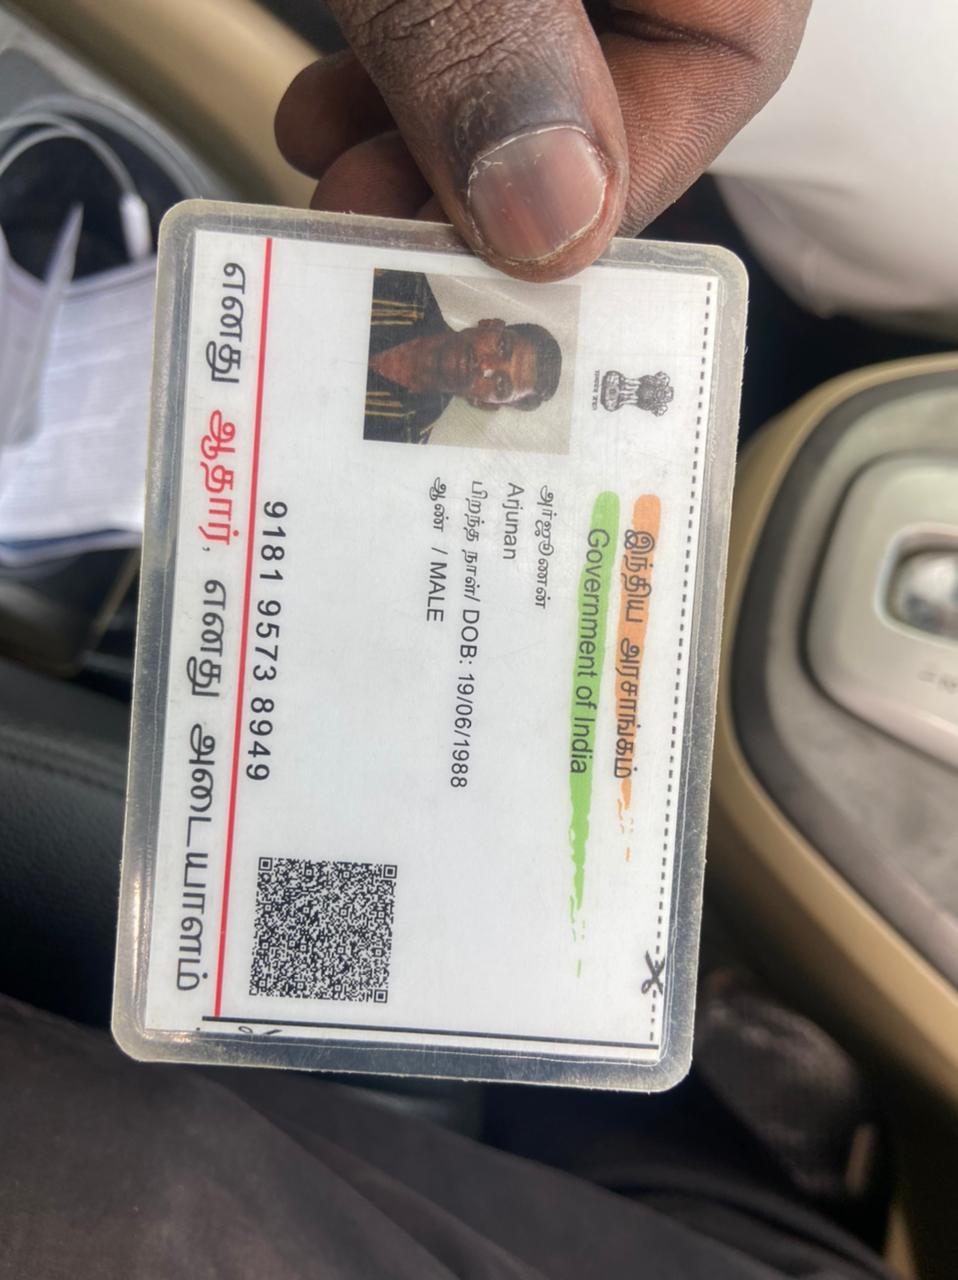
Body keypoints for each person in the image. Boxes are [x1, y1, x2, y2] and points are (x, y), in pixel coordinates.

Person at [364, 269, 562, 442]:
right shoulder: (402, 280)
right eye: (502, 347)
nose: (485, 367)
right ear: (490, 323)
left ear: (484, 404)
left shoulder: (404, 438)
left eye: (501, 384)